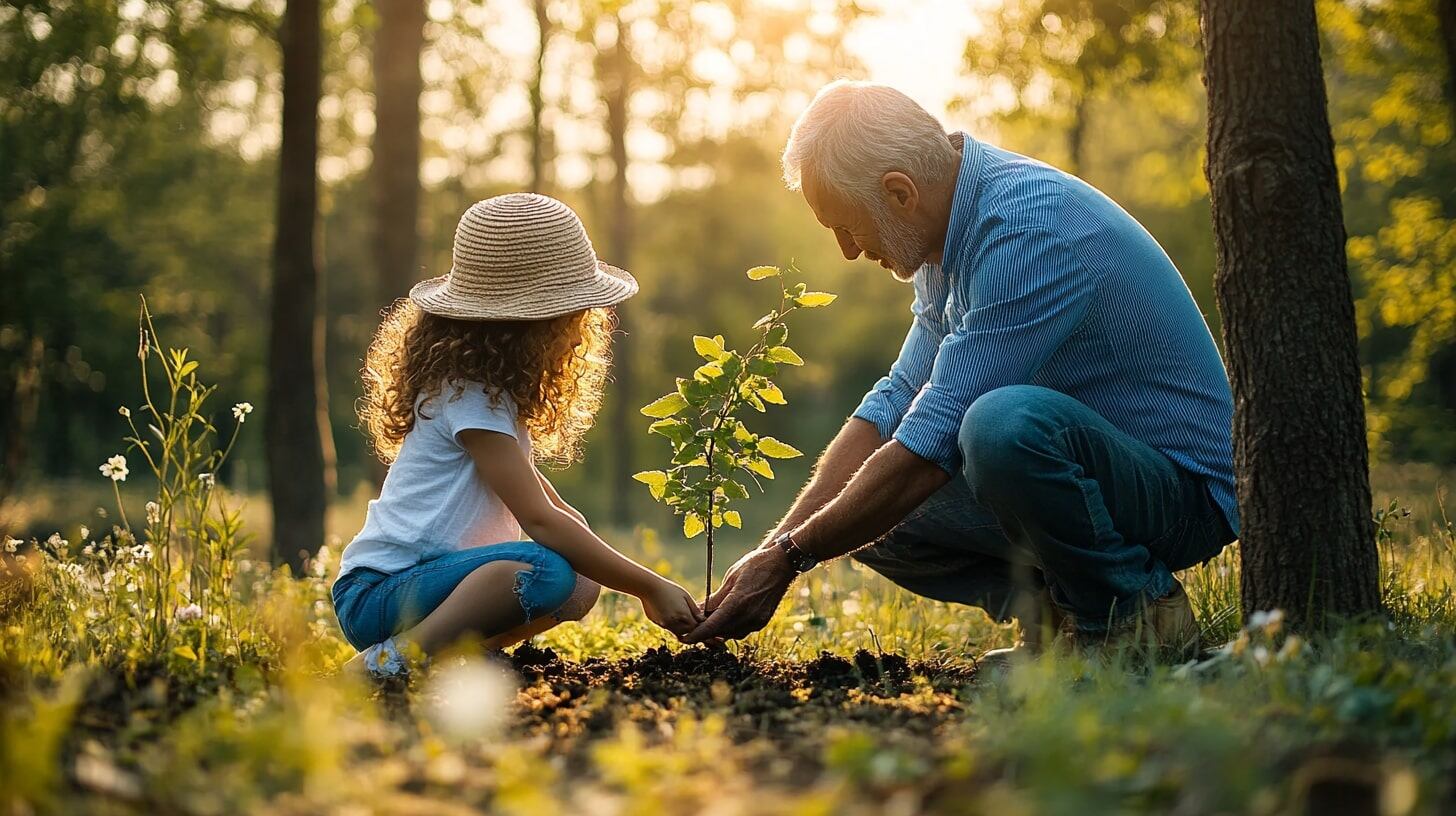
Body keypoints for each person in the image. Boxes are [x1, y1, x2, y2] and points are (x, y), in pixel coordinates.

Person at [685, 81, 1238, 665]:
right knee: (856, 509)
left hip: (1181, 493)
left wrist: (790, 559)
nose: (848, 250)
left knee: (997, 427)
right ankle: (1065, 628)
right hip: (1094, 475)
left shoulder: (1027, 230)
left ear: (899, 193)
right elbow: (897, 399)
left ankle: (1139, 615)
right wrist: (779, 548)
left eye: (846, 227)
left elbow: (933, 441)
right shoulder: (942, 232)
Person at [333, 193, 702, 678]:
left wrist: (623, 574)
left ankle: (453, 657)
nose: (580, 332)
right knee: (546, 571)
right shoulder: (467, 394)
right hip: (378, 593)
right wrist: (647, 585)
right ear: (528, 326)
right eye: (572, 317)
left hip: (427, 588)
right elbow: (540, 520)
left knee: (580, 578)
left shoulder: (492, 400)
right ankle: (389, 662)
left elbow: (555, 512)